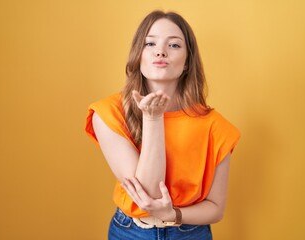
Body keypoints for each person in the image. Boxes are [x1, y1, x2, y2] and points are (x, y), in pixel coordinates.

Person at [85, 10, 240, 240]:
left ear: (188, 62)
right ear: (139, 55)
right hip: (129, 232)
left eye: (174, 45)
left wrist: (173, 214)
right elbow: (147, 194)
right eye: (150, 43)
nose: (161, 51)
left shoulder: (216, 127)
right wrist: (153, 119)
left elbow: (216, 208)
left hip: (190, 234)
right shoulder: (108, 113)